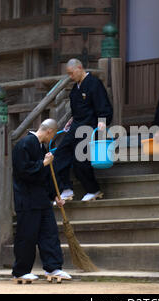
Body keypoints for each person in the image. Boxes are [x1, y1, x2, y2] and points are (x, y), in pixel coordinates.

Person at [11, 119, 71, 282]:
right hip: (27, 199)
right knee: (27, 235)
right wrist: (43, 162)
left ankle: (53, 268)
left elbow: (46, 176)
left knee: (49, 234)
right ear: (50, 131)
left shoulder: (41, 147)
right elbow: (23, 171)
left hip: (42, 199)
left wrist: (55, 195)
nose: (52, 140)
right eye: (52, 136)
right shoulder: (24, 144)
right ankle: (20, 271)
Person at [53, 58, 113, 202]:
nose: (70, 77)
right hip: (76, 126)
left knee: (79, 159)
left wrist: (103, 121)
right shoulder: (75, 88)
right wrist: (72, 119)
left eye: (71, 73)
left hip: (90, 127)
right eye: (69, 74)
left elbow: (103, 106)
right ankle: (65, 189)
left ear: (79, 68)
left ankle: (93, 190)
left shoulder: (94, 83)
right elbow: (77, 110)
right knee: (60, 154)